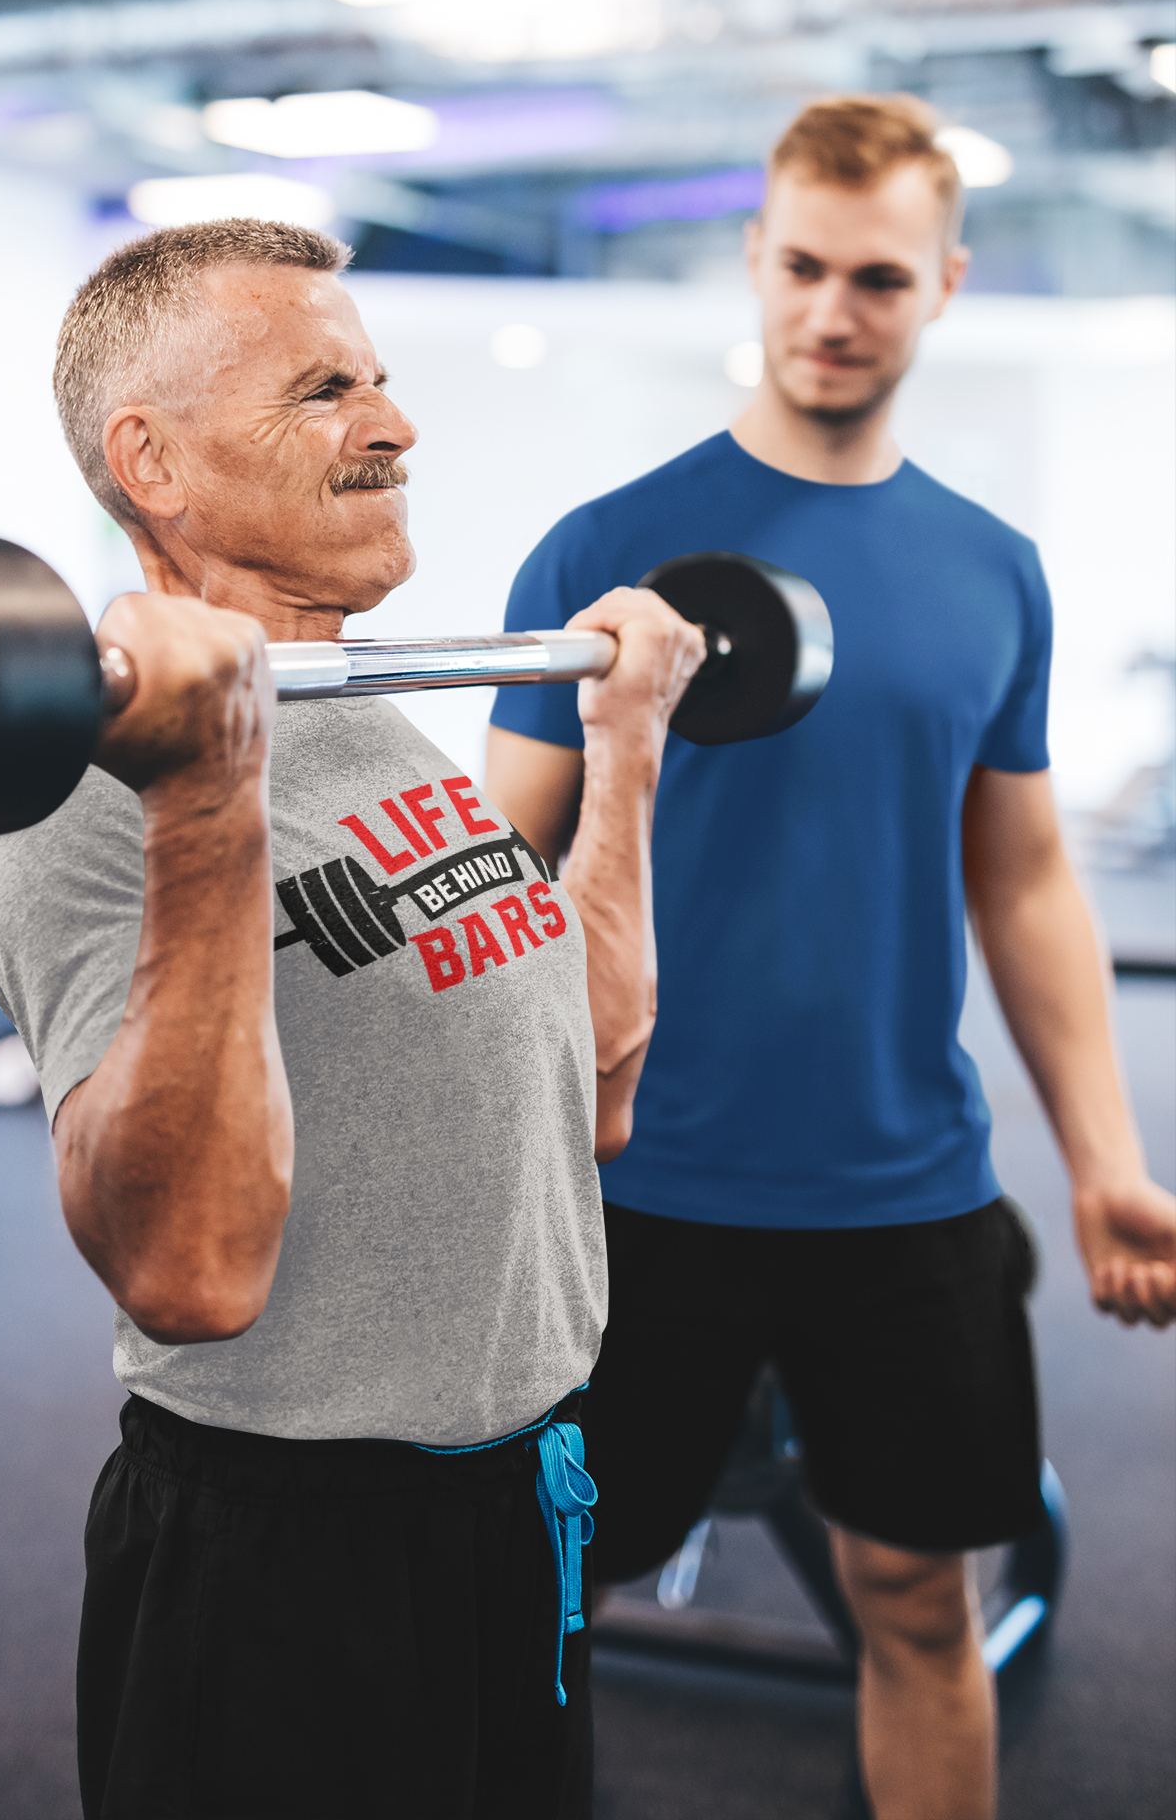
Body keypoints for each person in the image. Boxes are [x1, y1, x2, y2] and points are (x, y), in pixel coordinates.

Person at [485, 95, 1176, 1820]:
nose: (831, 310)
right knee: (538, 1611)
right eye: (801, 265)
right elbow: (494, 877)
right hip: (632, 1190)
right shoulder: (601, 548)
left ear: (946, 282)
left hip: (904, 1194)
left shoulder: (992, 572)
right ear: (754, 258)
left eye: (877, 276)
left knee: (921, 1605)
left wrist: (1105, 1162)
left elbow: (1024, 879)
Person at [0, 217, 704, 1820]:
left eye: (377, 380)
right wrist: (207, 790)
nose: (395, 426)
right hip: (285, 1559)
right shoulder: (84, 796)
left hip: (519, 1507)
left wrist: (628, 749)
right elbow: (186, 1272)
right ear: (151, 463)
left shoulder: (373, 718)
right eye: (325, 391)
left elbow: (592, 1089)